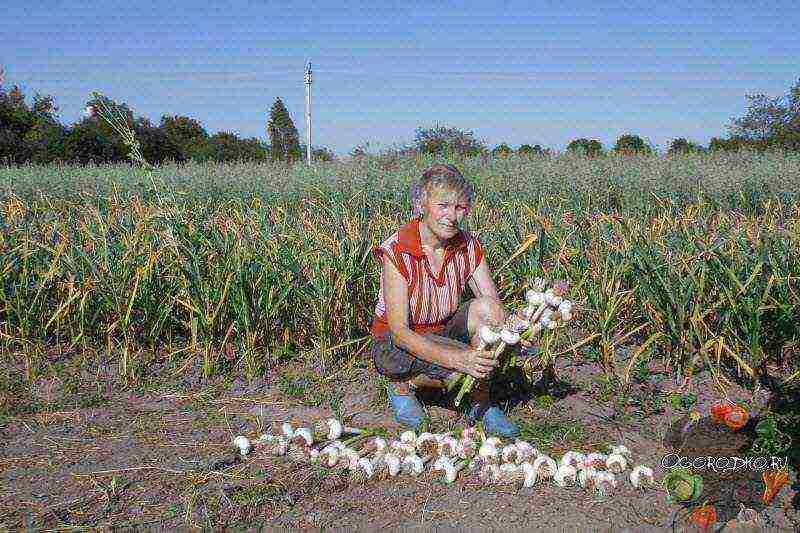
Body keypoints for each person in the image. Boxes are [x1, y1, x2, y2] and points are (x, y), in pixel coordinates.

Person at [369, 163, 534, 437]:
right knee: (451, 367)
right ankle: (403, 385)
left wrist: (514, 332)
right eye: (443, 205)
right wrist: (457, 359)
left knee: (489, 312)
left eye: (460, 207)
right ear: (422, 204)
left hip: (442, 331)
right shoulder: (397, 249)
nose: (452, 216)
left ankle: (480, 402)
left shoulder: (467, 245)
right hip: (398, 342)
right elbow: (399, 332)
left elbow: (492, 304)